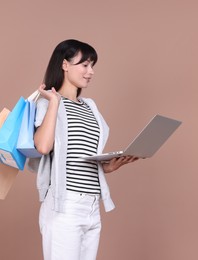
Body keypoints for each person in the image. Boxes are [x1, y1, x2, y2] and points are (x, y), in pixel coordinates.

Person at [28, 39, 139, 260]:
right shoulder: (48, 103)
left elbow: (79, 155)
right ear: (65, 64)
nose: (91, 72)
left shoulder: (90, 107)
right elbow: (42, 146)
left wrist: (107, 167)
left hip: (91, 205)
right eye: (85, 65)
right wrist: (53, 103)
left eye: (92, 65)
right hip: (64, 205)